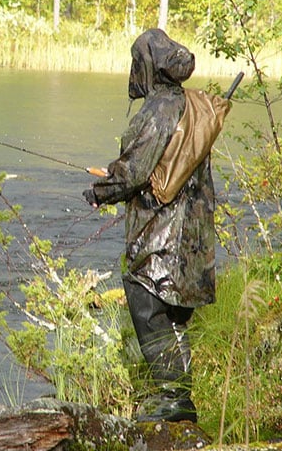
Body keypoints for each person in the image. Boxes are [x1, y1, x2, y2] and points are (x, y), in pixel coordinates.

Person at [83, 28, 217, 423]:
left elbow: (136, 171)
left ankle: (174, 399)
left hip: (162, 232)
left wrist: (100, 191)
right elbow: (157, 163)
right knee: (173, 312)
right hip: (192, 229)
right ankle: (179, 399)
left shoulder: (158, 110)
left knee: (147, 301)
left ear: (146, 65)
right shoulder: (189, 104)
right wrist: (115, 175)